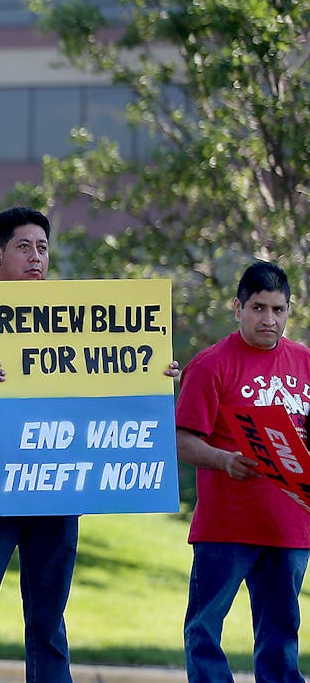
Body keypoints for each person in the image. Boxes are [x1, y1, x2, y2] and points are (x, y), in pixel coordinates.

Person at [0, 206, 178, 682]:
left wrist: (152, 375)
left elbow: (112, 380)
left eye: (42, 248)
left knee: (48, 621)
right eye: (23, 247)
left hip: (55, 490)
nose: (35, 258)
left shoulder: (75, 318)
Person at [176, 260, 310, 683]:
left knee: (281, 638)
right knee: (204, 630)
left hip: (290, 525)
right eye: (258, 308)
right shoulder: (211, 364)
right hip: (226, 526)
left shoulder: (305, 362)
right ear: (238, 308)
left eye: (277, 309)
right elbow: (181, 440)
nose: (269, 319)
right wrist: (224, 460)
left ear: (289, 310)